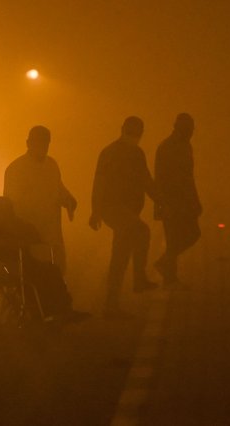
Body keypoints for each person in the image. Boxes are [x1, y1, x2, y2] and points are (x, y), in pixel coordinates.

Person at [0, 196, 88, 322]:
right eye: (5, 211)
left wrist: (33, 240)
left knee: (51, 270)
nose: (8, 215)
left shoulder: (11, 222)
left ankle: (62, 309)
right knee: (36, 275)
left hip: (21, 263)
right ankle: (44, 312)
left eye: (9, 212)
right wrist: (13, 243)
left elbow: (30, 232)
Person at [89, 116, 158, 318]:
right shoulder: (111, 153)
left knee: (119, 256)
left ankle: (111, 305)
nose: (133, 138)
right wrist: (96, 211)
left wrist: (160, 199)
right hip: (114, 209)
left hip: (126, 212)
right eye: (131, 133)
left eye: (135, 134)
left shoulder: (135, 153)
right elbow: (99, 183)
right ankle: (139, 279)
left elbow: (146, 181)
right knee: (142, 231)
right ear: (123, 130)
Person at [3, 125, 77, 274]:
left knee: (57, 274)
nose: (43, 146)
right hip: (29, 237)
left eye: (45, 143)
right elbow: (9, 205)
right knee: (33, 276)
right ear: (28, 143)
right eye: (39, 142)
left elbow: (59, 189)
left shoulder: (52, 165)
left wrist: (69, 200)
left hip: (52, 236)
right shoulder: (16, 169)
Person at [154, 113, 202, 286]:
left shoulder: (184, 146)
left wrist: (194, 200)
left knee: (189, 234)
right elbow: (161, 178)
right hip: (172, 202)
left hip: (183, 201)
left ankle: (166, 266)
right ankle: (169, 275)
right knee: (177, 236)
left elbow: (189, 177)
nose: (191, 133)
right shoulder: (168, 147)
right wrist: (162, 204)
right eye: (188, 130)